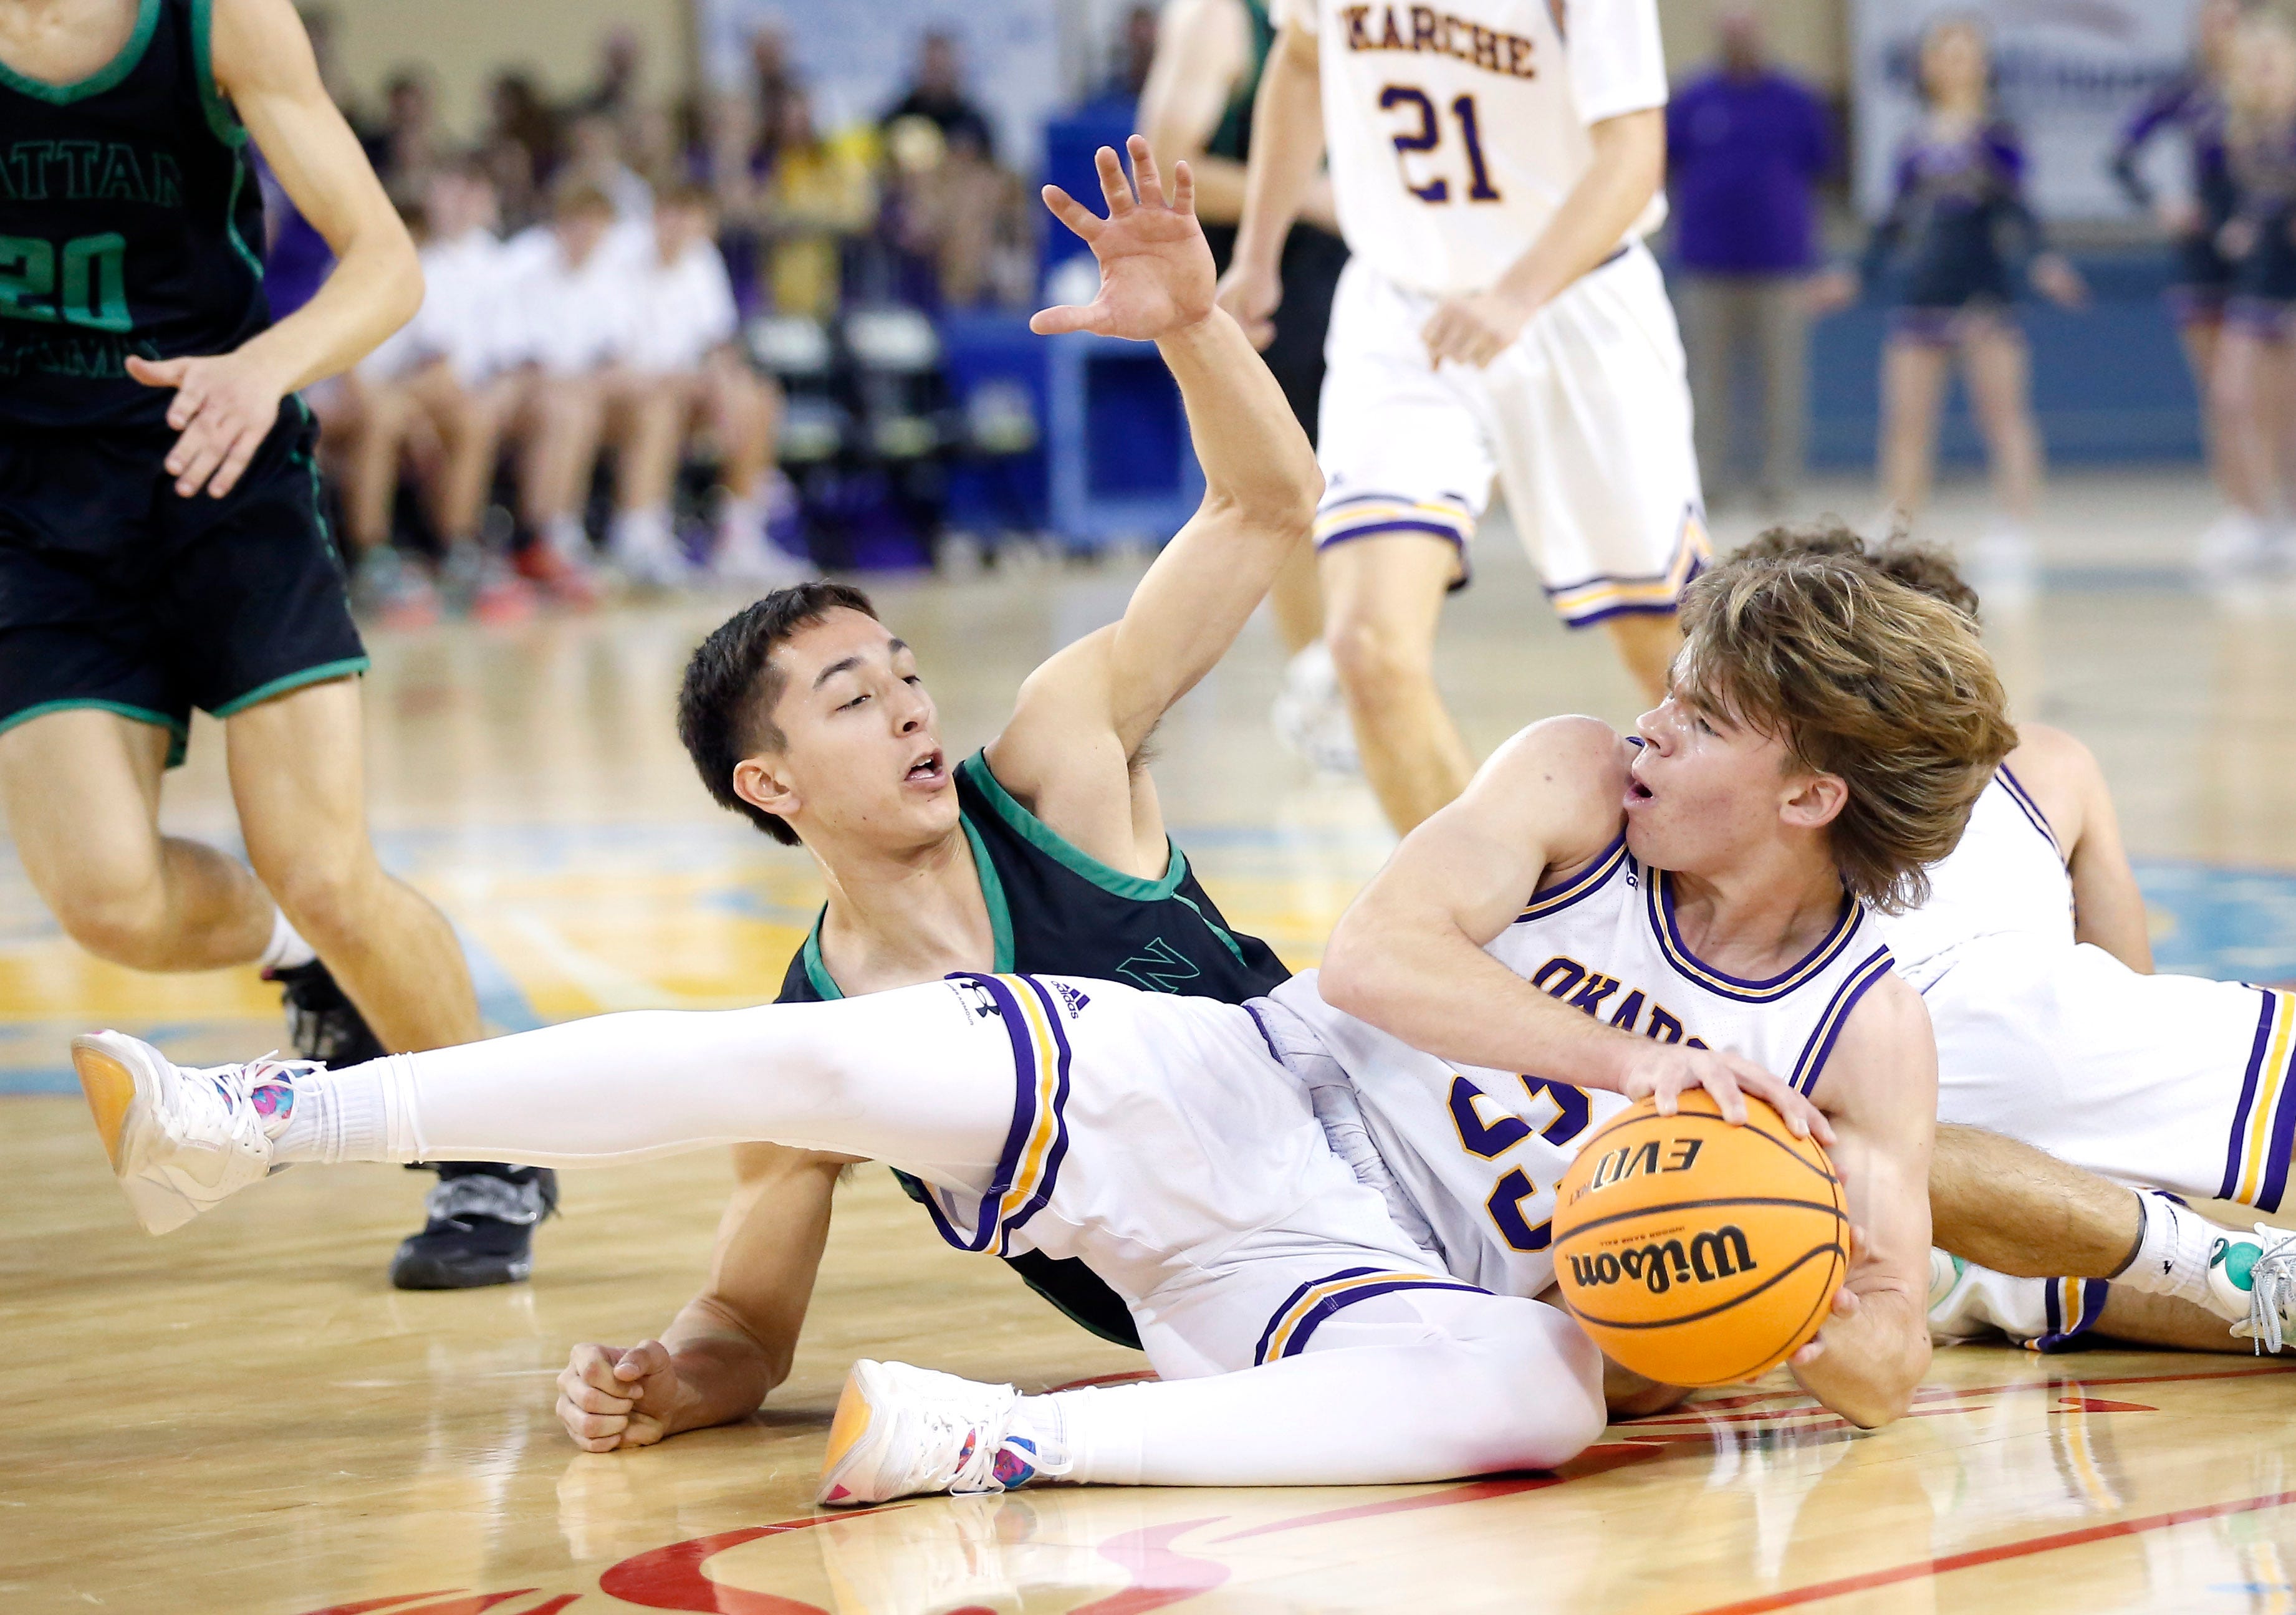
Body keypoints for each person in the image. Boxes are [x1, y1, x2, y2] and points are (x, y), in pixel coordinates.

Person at [71, 539, 1982, 1500]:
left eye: (1708, 713)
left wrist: (1787, 1288)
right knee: (824, 1056)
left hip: (1364, 1277)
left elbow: (1886, 1363)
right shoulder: (1575, 774)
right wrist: (1646, 1068)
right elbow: (1391, 959)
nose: (1653, 715)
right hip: (1245, 1077)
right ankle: (254, 1118)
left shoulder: (1859, 1029)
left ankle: (997, 1441)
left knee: (1544, 1396)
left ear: (1810, 789)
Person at [0, 0, 547, 1291]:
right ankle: (303, 959)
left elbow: (383, 263)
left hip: (221, 468)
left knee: (323, 861)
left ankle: (497, 1148)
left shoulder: (216, 20)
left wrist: (264, 367)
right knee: (107, 902)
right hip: (31, 506)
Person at [1726, 527, 2294, 1356]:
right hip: (2015, 1024)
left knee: (2055, 1244)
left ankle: (1964, 1272)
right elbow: (2125, 970)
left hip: (1850, 1117)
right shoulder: (2042, 758)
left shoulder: (1731, 793)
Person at [1217, 0, 1705, 835]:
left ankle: (1790, 883)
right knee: (1365, 647)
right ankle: (1464, 923)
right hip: (1401, 307)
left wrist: (1514, 293)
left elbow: (1633, 155)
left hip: (1574, 301)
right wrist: (1256, 255)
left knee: (1666, 649)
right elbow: (1298, 62)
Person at [1138, 0, 1353, 771]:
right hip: (1266, 280)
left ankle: (1356, 671)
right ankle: (1315, 684)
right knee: (1295, 492)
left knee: (1377, 490)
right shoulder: (1218, 19)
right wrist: (1307, 194)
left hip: (1359, 275)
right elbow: (1161, 169)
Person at [1812, 17, 2084, 596]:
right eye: (1945, 54)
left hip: (1983, 292)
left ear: (1982, 65)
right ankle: (1896, 528)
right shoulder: (1914, 142)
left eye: (1966, 54)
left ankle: (2015, 524)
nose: (1955, 64)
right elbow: (1892, 223)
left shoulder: (1998, 137)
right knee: (1906, 419)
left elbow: (2018, 210)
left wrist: (2041, 259)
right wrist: (1856, 276)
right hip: (1925, 291)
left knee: (2002, 414)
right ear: (1928, 66)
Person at [1666, 3, 1833, 512]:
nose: (1739, 38)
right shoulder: (1692, 100)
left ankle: (1776, 481)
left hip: (1778, 266)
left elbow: (1819, 171)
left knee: (1779, 381)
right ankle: (1708, 479)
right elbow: (1663, 167)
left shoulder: (1794, 100)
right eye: (1729, 29)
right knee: (1703, 381)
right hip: (1705, 264)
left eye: (1747, 28)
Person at [603, 182, 801, 588]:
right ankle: (638, 534)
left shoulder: (702, 260)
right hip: (623, 390)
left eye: (688, 215)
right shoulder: (619, 257)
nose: (677, 225)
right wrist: (696, 381)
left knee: (757, 395)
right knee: (659, 404)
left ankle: (739, 539)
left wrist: (725, 387)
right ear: (654, 215)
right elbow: (615, 356)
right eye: (669, 212)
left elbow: (717, 344)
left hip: (686, 388)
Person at [2109, 0, 2245, 575]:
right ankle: (2242, 508)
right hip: (2202, 252)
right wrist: (2161, 205)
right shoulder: (2186, 92)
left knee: (2268, 393)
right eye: (2209, 14)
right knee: (2220, 393)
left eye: (2232, 14)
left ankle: (2277, 503)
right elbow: (2122, 156)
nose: (2218, 25)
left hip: (2265, 255)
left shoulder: (2270, 89)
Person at [2201, 9, 2296, 582]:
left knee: (2287, 411)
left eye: (2274, 60)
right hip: (2253, 284)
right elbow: (2219, 202)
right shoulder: (2238, 133)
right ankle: (2255, 514)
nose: (2262, 71)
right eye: (2253, 62)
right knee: (2234, 397)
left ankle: (2284, 518)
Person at [883, 28, 999, 162]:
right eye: (931, 65)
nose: (936, 74)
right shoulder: (896, 119)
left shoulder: (974, 125)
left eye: (941, 67)